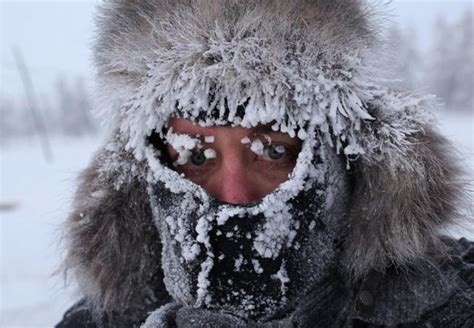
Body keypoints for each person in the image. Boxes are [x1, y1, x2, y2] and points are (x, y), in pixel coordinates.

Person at [56, 0, 473, 327]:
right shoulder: (101, 320)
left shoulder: (447, 306)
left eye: (273, 151)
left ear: (339, 156)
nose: (234, 196)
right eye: (196, 156)